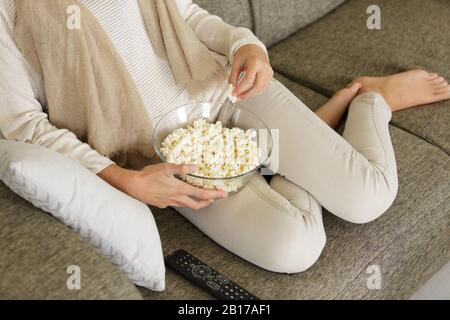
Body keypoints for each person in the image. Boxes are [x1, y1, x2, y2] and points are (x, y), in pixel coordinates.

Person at [1, 0, 448, 273]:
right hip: (161, 153)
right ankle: (311, 128)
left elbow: (187, 16)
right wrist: (123, 178)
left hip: (229, 94)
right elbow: (23, 125)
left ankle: (373, 100)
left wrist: (245, 46)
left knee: (368, 196)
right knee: (294, 247)